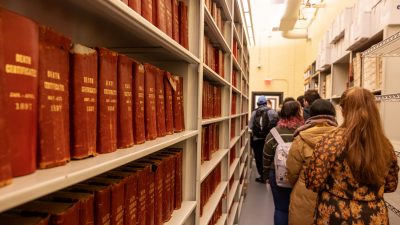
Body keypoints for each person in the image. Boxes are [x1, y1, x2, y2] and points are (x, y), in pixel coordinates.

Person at [305, 87, 399, 225]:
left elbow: (314, 182)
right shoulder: (385, 145)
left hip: (336, 214)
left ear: (344, 111)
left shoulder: (330, 142)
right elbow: (391, 185)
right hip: (374, 216)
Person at [286, 99, 337, 225]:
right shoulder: (343, 137)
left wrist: (300, 184)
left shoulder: (300, 138)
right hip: (334, 197)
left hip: (304, 195)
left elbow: (292, 172)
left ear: (310, 114)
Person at [263, 101, 304, 225]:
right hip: (299, 175)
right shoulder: (303, 132)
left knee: (281, 208)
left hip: (277, 174)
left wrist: (266, 175)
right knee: (299, 209)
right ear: (298, 113)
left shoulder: (274, 133)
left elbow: (267, 156)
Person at [249, 96, 278, 183]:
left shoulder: (254, 113)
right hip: (269, 139)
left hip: (257, 140)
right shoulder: (272, 112)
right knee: (269, 157)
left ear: (258, 103)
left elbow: (250, 126)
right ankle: (270, 176)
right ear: (266, 102)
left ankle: (262, 177)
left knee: (259, 158)